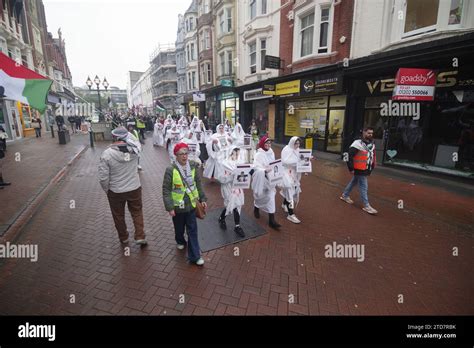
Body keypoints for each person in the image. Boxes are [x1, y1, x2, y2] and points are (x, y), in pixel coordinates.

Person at [98, 126, 147, 245]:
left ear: (114, 137)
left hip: (116, 190)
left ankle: (124, 237)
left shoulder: (107, 154)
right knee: (137, 212)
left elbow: (103, 177)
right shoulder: (135, 151)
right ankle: (140, 235)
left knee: (118, 215)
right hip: (134, 188)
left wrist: (107, 190)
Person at [162, 142, 207, 266]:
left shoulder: (193, 167)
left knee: (192, 230)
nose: (184, 156)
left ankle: (195, 256)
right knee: (179, 228)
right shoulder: (170, 170)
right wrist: (170, 207)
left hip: (192, 205)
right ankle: (180, 240)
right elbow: (166, 190)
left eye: (186, 153)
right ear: (176, 155)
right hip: (178, 207)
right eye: (181, 154)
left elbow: (198, 184)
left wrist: (202, 199)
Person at [340, 127, 378, 215]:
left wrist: (372, 165)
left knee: (354, 181)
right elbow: (349, 156)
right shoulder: (357, 143)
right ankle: (367, 206)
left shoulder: (371, 143)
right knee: (364, 186)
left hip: (366, 168)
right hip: (359, 169)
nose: (370, 135)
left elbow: (372, 155)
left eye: (372, 133)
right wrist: (351, 168)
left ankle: (345, 195)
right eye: (368, 133)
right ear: (364, 133)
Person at [251, 135, 281, 229]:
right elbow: (255, 167)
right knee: (259, 196)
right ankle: (256, 207)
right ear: (262, 144)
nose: (268, 144)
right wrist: (264, 170)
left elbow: (273, 164)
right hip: (262, 179)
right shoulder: (258, 154)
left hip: (270, 180)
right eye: (266, 143)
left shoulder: (271, 152)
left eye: (269, 143)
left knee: (271, 197)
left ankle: (271, 220)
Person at [217, 147, 246, 237]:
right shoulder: (224, 164)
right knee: (232, 204)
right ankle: (234, 224)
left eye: (238, 154)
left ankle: (226, 220)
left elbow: (243, 177)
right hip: (227, 188)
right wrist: (231, 176)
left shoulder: (240, 163)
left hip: (237, 188)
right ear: (230, 153)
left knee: (236, 205)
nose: (236, 155)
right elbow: (221, 179)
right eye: (234, 153)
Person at [280, 137, 305, 224]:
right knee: (290, 193)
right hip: (287, 173)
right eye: (296, 143)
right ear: (292, 143)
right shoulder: (286, 149)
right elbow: (285, 161)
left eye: (298, 144)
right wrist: (298, 162)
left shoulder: (298, 150)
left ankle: (284, 204)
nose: (297, 145)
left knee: (292, 191)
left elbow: (302, 159)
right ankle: (291, 214)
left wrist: (307, 161)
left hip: (294, 174)